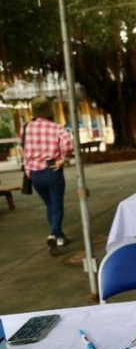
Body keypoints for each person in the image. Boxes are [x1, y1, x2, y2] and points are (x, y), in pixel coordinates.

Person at [22, 97, 73, 256]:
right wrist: (63, 159)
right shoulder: (56, 128)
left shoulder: (26, 128)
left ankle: (60, 237)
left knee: (49, 205)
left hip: (35, 173)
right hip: (52, 168)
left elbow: (25, 150)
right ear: (49, 110)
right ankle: (53, 234)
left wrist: (29, 171)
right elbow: (68, 144)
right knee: (57, 206)